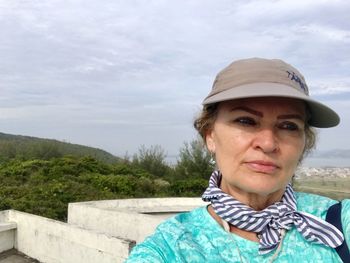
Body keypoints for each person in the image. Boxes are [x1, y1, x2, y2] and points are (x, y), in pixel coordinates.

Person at [126, 58, 349, 262]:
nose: (268, 143)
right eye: (246, 121)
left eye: (289, 125)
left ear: (303, 144)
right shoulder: (173, 246)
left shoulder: (337, 222)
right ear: (210, 136)